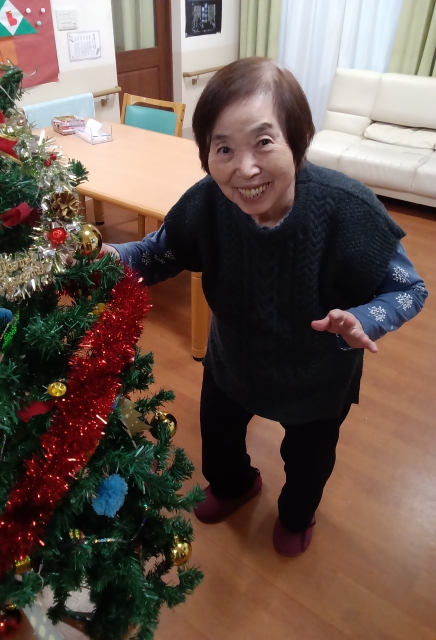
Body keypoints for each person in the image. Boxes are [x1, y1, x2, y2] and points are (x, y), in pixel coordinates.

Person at [102, 58, 428, 557]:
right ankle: (235, 485)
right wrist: (109, 258)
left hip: (318, 375)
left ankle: (297, 514)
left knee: (308, 460)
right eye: (224, 149)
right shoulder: (207, 203)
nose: (245, 168)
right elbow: (156, 254)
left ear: (297, 141)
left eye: (264, 142)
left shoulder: (348, 208)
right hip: (233, 359)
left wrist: (364, 318)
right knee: (218, 436)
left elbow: (409, 289)